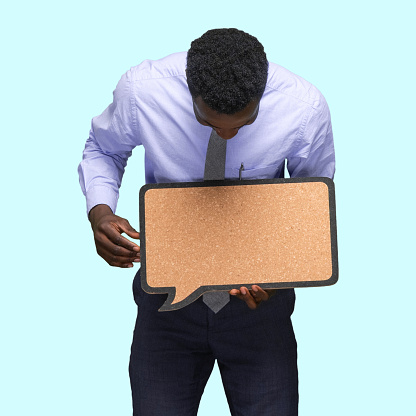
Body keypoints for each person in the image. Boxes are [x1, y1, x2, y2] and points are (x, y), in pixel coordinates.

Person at [78, 28, 335, 416]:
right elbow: (102, 149)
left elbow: (309, 208)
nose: (226, 134)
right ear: (190, 92)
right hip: (164, 301)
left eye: (243, 124)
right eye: (209, 122)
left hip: (259, 311)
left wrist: (278, 273)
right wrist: (100, 211)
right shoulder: (142, 92)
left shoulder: (303, 109)